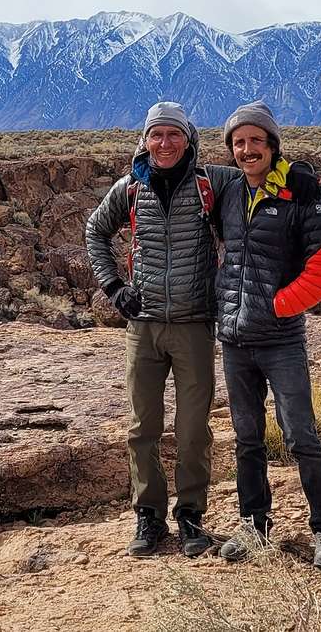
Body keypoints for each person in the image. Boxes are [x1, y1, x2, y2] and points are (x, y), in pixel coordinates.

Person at [210, 100, 321, 569]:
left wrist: (279, 305)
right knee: (246, 439)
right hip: (234, 340)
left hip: (281, 340)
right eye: (239, 142)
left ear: (272, 146)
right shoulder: (228, 192)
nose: (248, 150)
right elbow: (179, 169)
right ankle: (253, 528)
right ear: (231, 149)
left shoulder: (300, 192)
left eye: (256, 141)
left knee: (301, 437)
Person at [84, 101, 218, 558]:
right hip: (143, 326)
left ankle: (192, 517)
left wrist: (298, 177)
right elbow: (94, 231)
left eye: (173, 135)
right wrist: (113, 287)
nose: (164, 144)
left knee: (193, 428)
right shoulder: (129, 189)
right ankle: (149, 516)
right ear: (145, 140)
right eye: (156, 135)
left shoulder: (209, 185)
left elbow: (258, 177)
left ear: (188, 140)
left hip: (193, 325)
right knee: (142, 426)